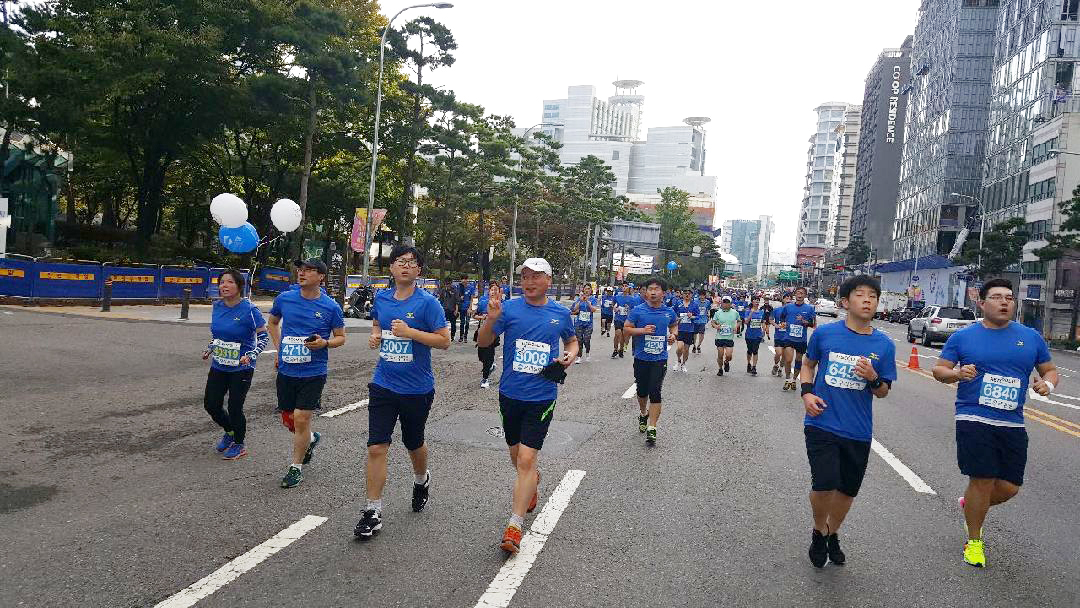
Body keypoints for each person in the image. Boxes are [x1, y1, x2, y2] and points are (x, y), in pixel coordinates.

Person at [931, 278, 1059, 568]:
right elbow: (939, 370)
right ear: (982, 303)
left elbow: (1049, 371)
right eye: (997, 297)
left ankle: (972, 506)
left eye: (1009, 298)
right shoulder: (963, 337)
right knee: (983, 479)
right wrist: (957, 374)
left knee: (1010, 487)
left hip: (1012, 421)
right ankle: (974, 541)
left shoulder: (1030, 337)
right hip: (973, 415)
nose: (1004, 302)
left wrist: (1046, 387)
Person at [477, 258, 578, 555]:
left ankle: (514, 526)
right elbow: (484, 342)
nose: (529, 282)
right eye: (524, 277)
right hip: (510, 394)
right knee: (517, 457)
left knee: (525, 459)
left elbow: (572, 342)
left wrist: (570, 355)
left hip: (542, 397)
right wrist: (492, 318)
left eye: (536, 277)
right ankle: (532, 481)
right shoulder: (508, 309)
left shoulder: (560, 313)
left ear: (549, 280)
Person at [354, 246, 451, 540]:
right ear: (392, 268)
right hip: (383, 383)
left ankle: (421, 480)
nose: (406, 266)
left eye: (412, 263)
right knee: (376, 447)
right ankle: (372, 511)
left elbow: (444, 341)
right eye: (400, 262)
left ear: (419, 270)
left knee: (413, 442)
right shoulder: (382, 298)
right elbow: (377, 323)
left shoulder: (428, 303)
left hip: (417, 388)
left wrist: (411, 333)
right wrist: (374, 335)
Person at [800, 276, 897, 568]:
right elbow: (808, 364)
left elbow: (883, 392)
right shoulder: (825, 334)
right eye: (860, 294)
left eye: (873, 296)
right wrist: (806, 393)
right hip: (821, 422)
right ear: (845, 302)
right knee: (825, 482)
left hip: (858, 429)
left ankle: (832, 532)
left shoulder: (884, 345)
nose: (868, 300)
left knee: (847, 490)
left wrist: (873, 378)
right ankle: (819, 531)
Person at [268, 259, 346, 489]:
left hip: (313, 371)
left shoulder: (331, 307)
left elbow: (341, 338)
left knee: (302, 418)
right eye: (300, 270)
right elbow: (272, 323)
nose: (301, 273)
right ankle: (311, 439)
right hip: (287, 369)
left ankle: (295, 468)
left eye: (308, 270)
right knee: (289, 420)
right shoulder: (285, 299)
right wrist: (279, 348)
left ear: (321, 276)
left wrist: (324, 343)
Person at [202, 269, 268, 461]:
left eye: (229, 282)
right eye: (221, 282)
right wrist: (210, 348)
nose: (224, 286)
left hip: (242, 367)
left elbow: (263, 337)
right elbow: (217, 336)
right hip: (219, 364)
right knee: (211, 404)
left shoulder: (250, 310)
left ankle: (239, 443)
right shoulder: (217, 306)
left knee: (235, 407)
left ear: (239, 286)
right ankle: (229, 430)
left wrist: (252, 354)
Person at [623, 277, 679, 444]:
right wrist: (643, 330)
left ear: (664, 292)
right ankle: (643, 413)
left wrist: (673, 335)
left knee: (655, 391)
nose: (653, 292)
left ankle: (652, 427)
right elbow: (626, 328)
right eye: (650, 289)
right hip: (641, 357)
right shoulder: (638, 311)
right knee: (642, 391)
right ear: (645, 292)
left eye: (657, 289)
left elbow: (675, 325)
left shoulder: (669, 312)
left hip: (660, 358)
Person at [780, 287, 817, 391]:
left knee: (798, 361)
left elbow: (812, 324)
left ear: (805, 295)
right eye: (798, 293)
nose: (799, 295)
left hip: (801, 339)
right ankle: (787, 379)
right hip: (789, 338)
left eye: (802, 293)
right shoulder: (788, 307)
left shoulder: (809, 309)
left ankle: (794, 380)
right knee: (788, 359)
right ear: (795, 295)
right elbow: (782, 318)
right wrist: (783, 323)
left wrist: (803, 321)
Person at [474, 281, 502, 388]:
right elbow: (475, 315)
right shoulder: (483, 301)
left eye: (496, 290)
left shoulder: (502, 303)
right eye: (492, 289)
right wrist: (485, 317)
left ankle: (485, 379)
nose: (494, 292)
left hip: (494, 333)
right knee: (481, 356)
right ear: (488, 291)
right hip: (481, 332)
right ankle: (490, 365)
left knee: (488, 356)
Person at [710, 296, 740, 377]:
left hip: (729, 337)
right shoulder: (718, 313)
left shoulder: (735, 312)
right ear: (722, 303)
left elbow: (739, 321)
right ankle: (720, 369)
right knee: (720, 354)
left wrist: (736, 327)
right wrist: (716, 326)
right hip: (720, 337)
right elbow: (712, 322)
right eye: (724, 302)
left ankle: (726, 362)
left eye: (728, 302)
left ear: (730, 304)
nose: (726, 304)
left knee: (729, 356)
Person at [672, 289, 699, 372]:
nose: (687, 295)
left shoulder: (694, 305)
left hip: (689, 330)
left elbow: (698, 316)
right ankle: (678, 360)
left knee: (686, 349)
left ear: (691, 295)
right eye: (685, 293)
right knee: (680, 347)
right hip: (680, 329)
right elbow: (673, 313)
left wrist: (692, 316)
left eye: (689, 294)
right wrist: (677, 319)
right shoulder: (678, 303)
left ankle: (683, 363)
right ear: (682, 295)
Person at [570, 285, 597, 363]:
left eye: (588, 289)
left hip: (588, 323)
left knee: (586, 339)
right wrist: (580, 301)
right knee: (579, 340)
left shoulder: (593, 299)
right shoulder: (579, 299)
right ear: (583, 290)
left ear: (591, 290)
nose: (587, 290)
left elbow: (594, 309)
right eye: (585, 289)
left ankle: (587, 353)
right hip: (579, 322)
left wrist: (588, 303)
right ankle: (579, 357)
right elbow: (574, 309)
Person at [742, 296, 767, 375]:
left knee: (755, 350)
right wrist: (751, 313)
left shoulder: (761, 312)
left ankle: (754, 367)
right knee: (750, 350)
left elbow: (762, 322)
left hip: (758, 335)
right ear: (752, 302)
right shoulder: (747, 311)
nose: (757, 302)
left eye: (758, 301)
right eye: (755, 300)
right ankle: (749, 363)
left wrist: (764, 330)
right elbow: (746, 322)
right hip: (749, 334)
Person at [772, 293, 793, 376]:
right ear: (783, 299)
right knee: (779, 353)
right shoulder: (777, 310)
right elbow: (771, 319)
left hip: (788, 337)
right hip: (778, 336)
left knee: (784, 356)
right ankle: (776, 365)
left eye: (789, 298)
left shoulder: (792, 311)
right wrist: (775, 325)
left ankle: (780, 369)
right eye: (786, 297)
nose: (788, 299)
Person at [612, 284, 633, 359]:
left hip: (626, 320)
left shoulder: (631, 299)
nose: (624, 287)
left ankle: (621, 349)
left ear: (628, 288)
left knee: (623, 336)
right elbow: (613, 304)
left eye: (626, 286)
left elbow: (633, 309)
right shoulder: (617, 296)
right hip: (618, 318)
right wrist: (614, 308)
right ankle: (615, 350)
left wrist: (629, 309)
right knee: (618, 333)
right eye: (623, 286)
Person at [457, 275, 475, 342]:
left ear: (467, 280)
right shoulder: (459, 287)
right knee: (462, 322)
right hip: (461, 308)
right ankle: (461, 336)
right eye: (462, 279)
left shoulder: (471, 287)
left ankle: (465, 337)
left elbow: (472, 299)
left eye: (465, 279)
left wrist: (470, 308)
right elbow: (456, 297)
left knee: (467, 322)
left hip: (468, 308)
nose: (464, 280)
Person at [693, 289, 710, 354]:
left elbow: (708, 309)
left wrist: (708, 316)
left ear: (705, 296)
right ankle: (694, 345)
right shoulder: (695, 301)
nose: (702, 297)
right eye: (700, 295)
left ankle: (699, 345)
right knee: (694, 334)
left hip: (703, 320)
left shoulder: (707, 302)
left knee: (701, 334)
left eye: (703, 295)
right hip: (695, 320)